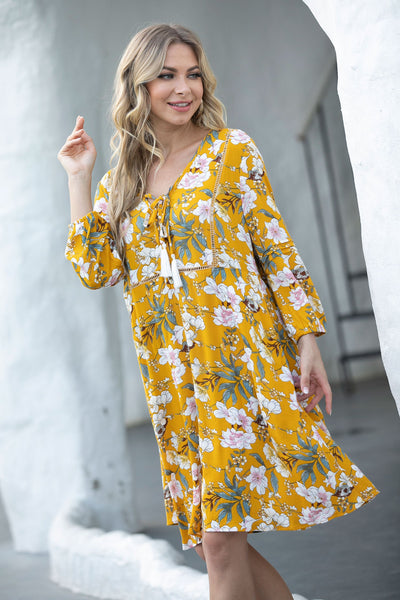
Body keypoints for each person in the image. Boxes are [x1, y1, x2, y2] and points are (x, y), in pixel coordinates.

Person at [58, 23, 379, 600]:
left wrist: (308, 341)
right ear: (139, 86)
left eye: (193, 74)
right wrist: (80, 179)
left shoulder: (231, 151)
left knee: (222, 541)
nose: (184, 88)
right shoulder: (120, 182)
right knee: (217, 544)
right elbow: (95, 270)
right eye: (166, 75)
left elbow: (275, 250)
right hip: (174, 385)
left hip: (238, 370)